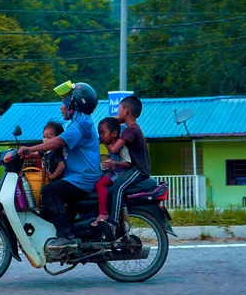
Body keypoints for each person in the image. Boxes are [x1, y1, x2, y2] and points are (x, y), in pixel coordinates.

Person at [18, 81, 102, 249]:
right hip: (77, 177)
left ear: (74, 103)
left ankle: (66, 236)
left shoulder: (81, 124)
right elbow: (51, 149)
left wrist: (29, 149)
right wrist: (26, 152)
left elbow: (57, 142)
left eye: (63, 102)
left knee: (49, 192)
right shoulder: (78, 123)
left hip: (83, 178)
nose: (61, 107)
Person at [96, 95, 151, 241]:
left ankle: (113, 224)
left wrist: (104, 140)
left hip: (139, 170)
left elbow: (114, 149)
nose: (117, 113)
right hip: (134, 169)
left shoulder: (130, 130)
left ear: (126, 111)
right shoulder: (131, 128)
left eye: (119, 110)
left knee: (118, 187)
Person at [92, 117, 131, 225]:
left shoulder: (122, 147)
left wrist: (114, 164)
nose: (101, 136)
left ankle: (103, 213)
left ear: (114, 134)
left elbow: (128, 163)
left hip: (120, 174)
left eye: (103, 133)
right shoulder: (109, 146)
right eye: (99, 133)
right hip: (114, 172)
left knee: (101, 183)